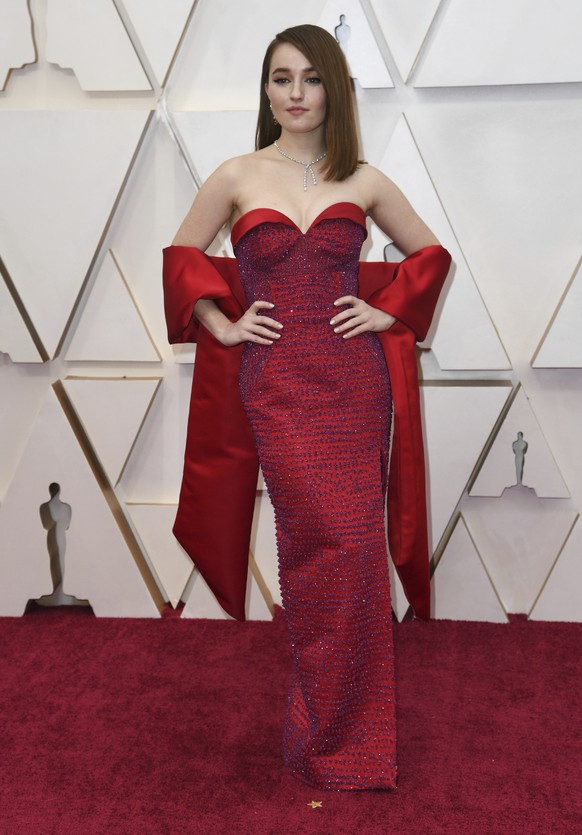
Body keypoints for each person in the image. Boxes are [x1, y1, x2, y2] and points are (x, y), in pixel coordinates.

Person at [163, 24, 451, 790]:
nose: (294, 93)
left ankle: (345, 733)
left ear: (334, 90)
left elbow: (430, 256)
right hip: (278, 384)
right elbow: (182, 257)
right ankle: (326, 724)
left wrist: (387, 311)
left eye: (310, 79)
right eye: (280, 79)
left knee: (353, 551)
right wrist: (224, 322)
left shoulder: (364, 181)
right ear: (265, 92)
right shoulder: (236, 174)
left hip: (353, 386)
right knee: (312, 548)